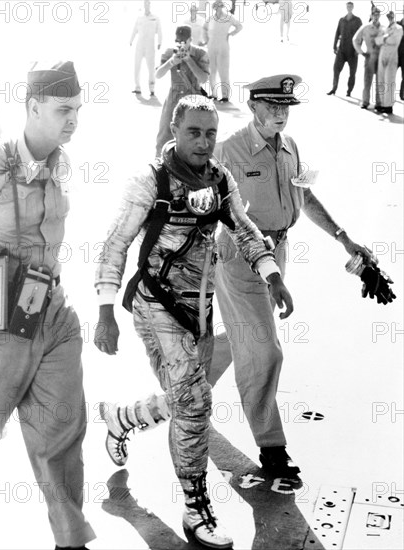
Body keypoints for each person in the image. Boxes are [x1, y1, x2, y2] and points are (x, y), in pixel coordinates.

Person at [98, 75, 372, 484]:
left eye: (286, 107)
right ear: (253, 106)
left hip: (273, 255)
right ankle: (272, 447)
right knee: (265, 351)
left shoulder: (289, 147)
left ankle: (133, 414)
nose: (281, 114)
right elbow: (220, 214)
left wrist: (343, 239)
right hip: (234, 261)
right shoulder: (228, 152)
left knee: (230, 351)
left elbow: (304, 198)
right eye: (273, 106)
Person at [95, 94, 294, 549]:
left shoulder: (220, 180)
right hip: (155, 306)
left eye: (210, 134)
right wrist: (105, 310)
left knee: (185, 399)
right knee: (198, 403)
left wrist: (272, 274)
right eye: (193, 132)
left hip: (197, 312)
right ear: (175, 132)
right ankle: (196, 507)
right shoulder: (150, 181)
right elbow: (115, 244)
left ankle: (122, 418)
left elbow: (243, 228)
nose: (203, 142)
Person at [0, 61, 95, 550]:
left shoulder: (62, 163)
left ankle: (71, 541)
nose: (73, 120)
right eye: (63, 109)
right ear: (33, 106)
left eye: (78, 110)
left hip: (50, 307)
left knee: (62, 432)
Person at [155, 25, 209, 156]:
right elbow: (158, 74)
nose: (181, 44)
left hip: (194, 98)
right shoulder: (170, 52)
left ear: (190, 40)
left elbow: (203, 79)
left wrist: (189, 60)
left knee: (195, 135)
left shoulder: (200, 53)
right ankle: (160, 166)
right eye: (178, 41)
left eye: (184, 41)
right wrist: (171, 62)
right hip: (174, 97)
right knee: (164, 135)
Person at [202, 1, 243, 102]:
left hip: (223, 45)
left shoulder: (228, 17)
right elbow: (204, 28)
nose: (218, 8)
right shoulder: (211, 18)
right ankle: (214, 94)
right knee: (211, 71)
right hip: (211, 45)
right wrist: (205, 40)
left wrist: (230, 34)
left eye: (220, 6)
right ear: (214, 8)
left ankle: (225, 95)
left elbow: (239, 26)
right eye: (216, 6)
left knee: (223, 71)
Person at [327, 2, 362, 97]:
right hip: (342, 49)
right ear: (346, 7)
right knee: (336, 69)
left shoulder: (357, 20)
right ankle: (334, 89)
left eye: (351, 6)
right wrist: (334, 46)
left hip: (352, 50)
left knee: (352, 72)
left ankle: (349, 91)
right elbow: (337, 33)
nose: (349, 8)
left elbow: (361, 36)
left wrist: (357, 49)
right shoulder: (342, 20)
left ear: (353, 7)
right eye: (348, 6)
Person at [352, 7, 384, 109]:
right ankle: (365, 102)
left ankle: (379, 104)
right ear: (371, 15)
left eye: (377, 14)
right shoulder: (365, 27)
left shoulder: (383, 28)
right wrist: (361, 52)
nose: (376, 16)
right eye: (374, 14)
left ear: (379, 16)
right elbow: (355, 39)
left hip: (380, 58)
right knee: (367, 81)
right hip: (369, 56)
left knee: (380, 82)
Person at [130, 0, 162, 97]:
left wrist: (159, 42)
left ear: (150, 4)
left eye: (148, 3)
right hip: (140, 45)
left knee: (151, 68)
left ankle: (152, 88)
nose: (146, 5)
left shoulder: (155, 18)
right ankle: (137, 87)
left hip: (150, 46)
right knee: (137, 66)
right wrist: (131, 40)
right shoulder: (140, 17)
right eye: (145, 3)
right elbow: (134, 30)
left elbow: (160, 31)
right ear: (143, 5)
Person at [375, 11, 403, 113]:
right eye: (388, 16)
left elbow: (394, 41)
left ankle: (388, 106)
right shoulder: (384, 28)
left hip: (392, 57)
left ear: (394, 17)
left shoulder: (399, 28)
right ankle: (382, 104)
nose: (390, 17)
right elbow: (377, 40)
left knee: (389, 81)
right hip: (382, 55)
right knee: (381, 80)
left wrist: (384, 39)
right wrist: (385, 38)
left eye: (391, 16)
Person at [398, 15, 404, 100]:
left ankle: (402, 94)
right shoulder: (397, 24)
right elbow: (384, 31)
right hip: (395, 54)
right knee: (389, 75)